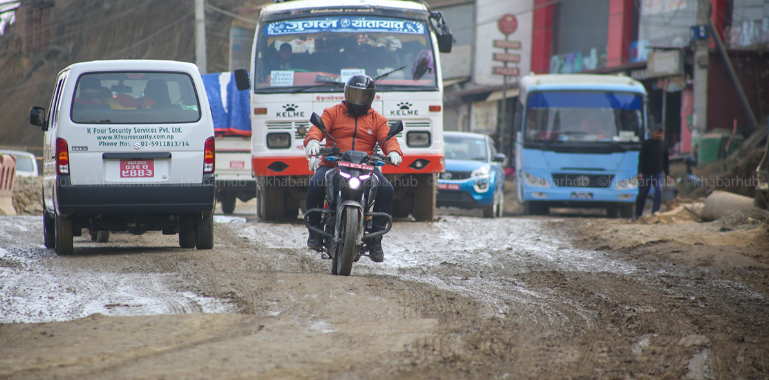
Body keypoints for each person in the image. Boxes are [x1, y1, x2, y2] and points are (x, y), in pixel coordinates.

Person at [303, 74, 403, 262]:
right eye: (355, 94)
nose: (358, 100)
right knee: (316, 183)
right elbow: (316, 129)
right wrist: (313, 141)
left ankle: (375, 238)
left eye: (363, 95)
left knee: (387, 190)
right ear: (346, 93)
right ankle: (314, 232)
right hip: (334, 164)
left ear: (371, 97)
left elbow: (388, 139)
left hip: (366, 169)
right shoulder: (332, 112)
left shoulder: (377, 120)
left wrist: (394, 152)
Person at [635, 124, 669, 219]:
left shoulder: (664, 145)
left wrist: (667, 174)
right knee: (642, 193)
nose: (659, 135)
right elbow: (641, 159)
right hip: (646, 173)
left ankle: (655, 212)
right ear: (653, 132)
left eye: (661, 133)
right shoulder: (646, 144)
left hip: (658, 173)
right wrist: (640, 172)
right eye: (657, 133)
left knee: (658, 190)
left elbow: (666, 161)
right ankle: (638, 214)